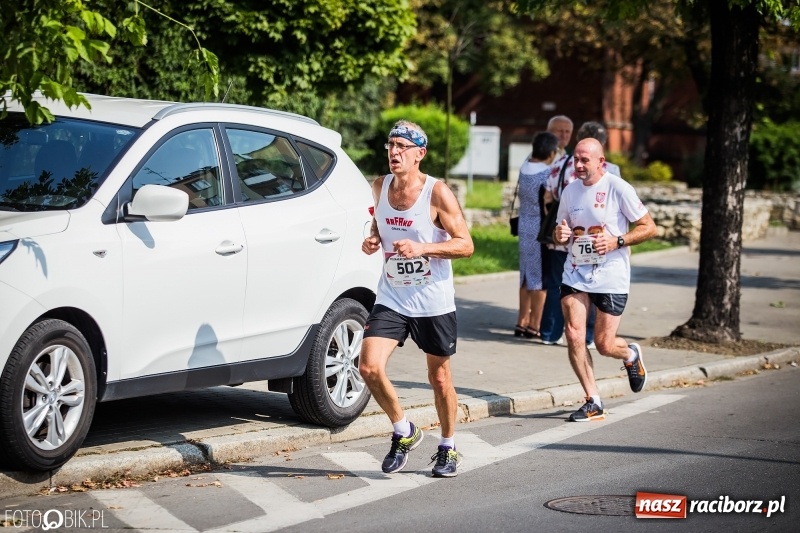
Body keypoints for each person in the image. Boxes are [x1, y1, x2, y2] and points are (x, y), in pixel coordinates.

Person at [359, 120, 474, 477]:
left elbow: (466, 245)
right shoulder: (380, 186)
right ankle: (403, 430)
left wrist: (423, 247)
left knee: (439, 378)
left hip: (432, 300)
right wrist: (373, 238)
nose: (394, 152)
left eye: (401, 147)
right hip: (393, 294)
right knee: (368, 367)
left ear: (419, 154)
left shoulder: (437, 194)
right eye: (390, 145)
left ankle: (448, 446)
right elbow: (380, 222)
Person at [552, 138, 657, 422]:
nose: (580, 165)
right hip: (575, 272)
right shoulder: (570, 191)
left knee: (604, 344)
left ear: (601, 161)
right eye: (576, 159)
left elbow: (649, 227)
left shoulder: (618, 188)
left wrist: (617, 240)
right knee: (574, 333)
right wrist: (559, 235)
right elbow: (561, 231)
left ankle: (631, 355)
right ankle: (593, 400)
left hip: (611, 275)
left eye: (586, 160)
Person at [540, 120, 621, 347]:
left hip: (563, 238)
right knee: (594, 285)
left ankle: (549, 333)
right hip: (595, 239)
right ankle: (588, 336)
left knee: (557, 284)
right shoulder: (611, 170)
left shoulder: (559, 165)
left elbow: (547, 197)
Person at [514, 131, 559, 339]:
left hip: (524, 225)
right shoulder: (547, 173)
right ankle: (535, 324)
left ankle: (521, 321)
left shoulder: (524, 168)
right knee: (540, 279)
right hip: (540, 229)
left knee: (525, 277)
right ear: (551, 151)